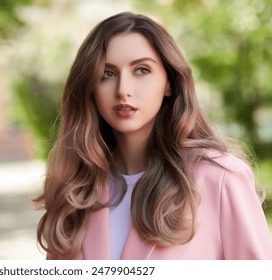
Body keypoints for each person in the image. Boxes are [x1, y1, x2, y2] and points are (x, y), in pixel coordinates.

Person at [34, 12, 272, 260]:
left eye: (141, 70)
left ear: (169, 82)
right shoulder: (75, 188)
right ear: (89, 87)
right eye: (107, 73)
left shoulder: (220, 179)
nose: (123, 90)